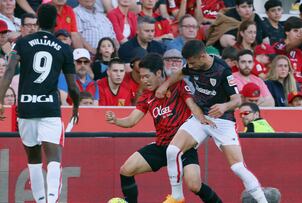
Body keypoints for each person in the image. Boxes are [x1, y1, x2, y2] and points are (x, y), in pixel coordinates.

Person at [156, 40, 268, 203]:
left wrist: (224, 106)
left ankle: (263, 201)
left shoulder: (222, 70)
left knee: (238, 167)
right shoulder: (193, 64)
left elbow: (236, 100)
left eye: (192, 62)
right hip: (201, 117)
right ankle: (177, 197)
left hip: (222, 121)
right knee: (172, 150)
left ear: (202, 56)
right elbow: (180, 73)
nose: (190, 66)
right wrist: (165, 85)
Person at [105, 53, 222, 203]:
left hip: (183, 146)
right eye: (141, 77)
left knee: (194, 185)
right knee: (126, 170)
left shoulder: (177, 86)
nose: (143, 81)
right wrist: (116, 121)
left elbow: (192, 105)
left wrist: (204, 120)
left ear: (159, 73)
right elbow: (131, 121)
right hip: (162, 146)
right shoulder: (146, 96)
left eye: (147, 76)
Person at [0, 4, 80, 203]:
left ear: (37, 20)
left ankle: (41, 201)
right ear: (55, 22)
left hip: (26, 107)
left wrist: (0, 101)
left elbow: (9, 72)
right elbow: (72, 85)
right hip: (49, 108)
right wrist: (76, 106)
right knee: (54, 158)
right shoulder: (63, 47)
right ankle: (51, 201)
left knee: (33, 161)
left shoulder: (22, 43)